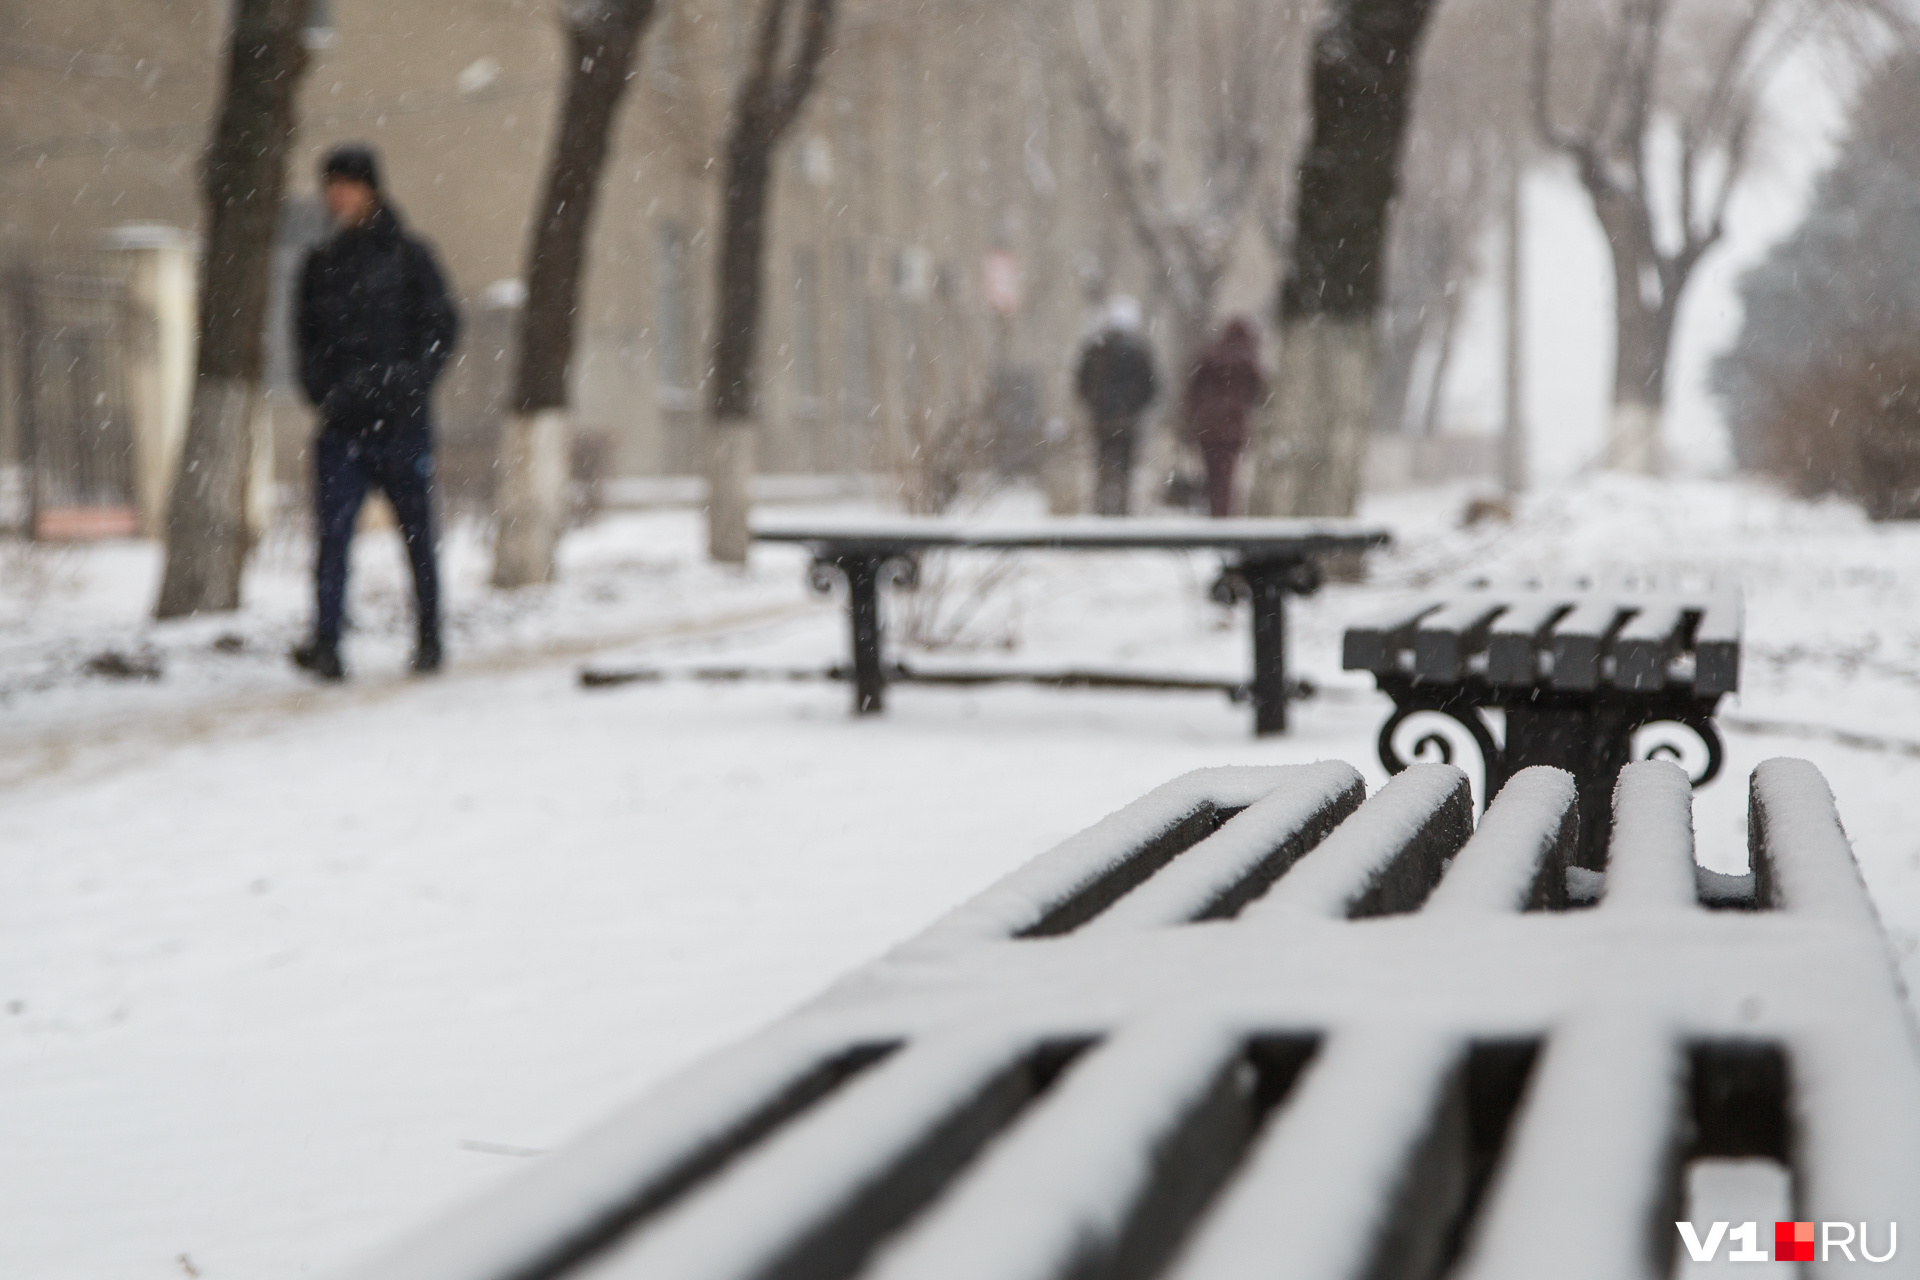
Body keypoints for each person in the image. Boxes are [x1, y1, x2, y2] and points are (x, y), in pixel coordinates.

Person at [290, 143, 459, 681]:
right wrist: (326, 392)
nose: (336, 196)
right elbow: (305, 342)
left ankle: (430, 637)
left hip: (403, 426)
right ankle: (326, 644)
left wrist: (411, 382)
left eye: (346, 184)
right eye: (329, 186)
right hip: (342, 427)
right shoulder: (320, 266)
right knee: (333, 538)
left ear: (371, 190)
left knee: (417, 534)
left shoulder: (411, 258)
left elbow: (443, 327)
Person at [1074, 296, 1157, 516]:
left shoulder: (1095, 349)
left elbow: (1081, 383)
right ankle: (1121, 510)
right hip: (1129, 420)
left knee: (1102, 464)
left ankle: (1102, 508)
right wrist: (1135, 409)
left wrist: (1095, 406)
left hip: (1102, 419)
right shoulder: (1140, 351)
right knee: (1126, 468)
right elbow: (1152, 386)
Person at [1183, 317, 1267, 518]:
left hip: (1207, 427)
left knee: (1211, 470)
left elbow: (1191, 390)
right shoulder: (1248, 361)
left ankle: (1212, 510)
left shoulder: (1209, 356)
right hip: (1233, 428)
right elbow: (1259, 394)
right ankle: (1221, 513)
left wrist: (1192, 419)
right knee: (1226, 475)